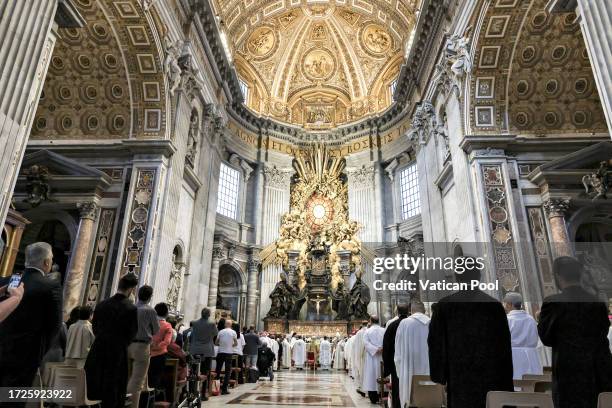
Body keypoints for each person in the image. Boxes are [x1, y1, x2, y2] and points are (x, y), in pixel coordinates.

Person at [428, 259, 513, 408]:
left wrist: (440, 376)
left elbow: (436, 344)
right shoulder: (494, 306)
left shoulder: (444, 306)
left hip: (459, 376)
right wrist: (506, 380)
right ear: (479, 277)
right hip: (492, 376)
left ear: (457, 277)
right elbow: (504, 346)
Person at [538, 256, 612, 408]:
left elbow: (546, 338)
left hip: (568, 369)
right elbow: (603, 331)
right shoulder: (597, 302)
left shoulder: (553, 303)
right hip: (596, 368)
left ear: (558, 276)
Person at [0, 242, 62, 398]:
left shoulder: (5, 281)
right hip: (26, 356)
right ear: (47, 262)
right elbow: (54, 326)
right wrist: (39, 353)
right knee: (12, 400)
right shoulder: (51, 285)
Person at [85, 273, 139, 408]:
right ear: (131, 290)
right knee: (113, 392)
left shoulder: (102, 304)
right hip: (117, 354)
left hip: (97, 351)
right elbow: (131, 334)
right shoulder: (131, 309)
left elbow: (95, 327)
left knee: (94, 388)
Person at [127, 285, 159, 408]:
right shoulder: (150, 310)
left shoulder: (130, 308)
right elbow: (156, 330)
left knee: (127, 375)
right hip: (142, 346)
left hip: (128, 344)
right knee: (138, 379)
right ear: (150, 297)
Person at [394, 301, 430, 408]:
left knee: (409, 398)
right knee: (428, 398)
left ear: (411, 311)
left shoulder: (404, 323)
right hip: (428, 368)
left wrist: (399, 369)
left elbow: (398, 349)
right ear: (424, 311)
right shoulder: (431, 322)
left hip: (409, 368)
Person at [503, 292, 542, 380]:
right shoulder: (531, 319)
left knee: (516, 388)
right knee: (533, 387)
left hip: (513, 358)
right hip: (532, 358)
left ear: (509, 304)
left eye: (505, 303)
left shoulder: (507, 320)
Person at [383, 303, 409, 408]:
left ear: (396, 312)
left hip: (396, 364)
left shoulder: (392, 325)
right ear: (408, 311)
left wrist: (387, 368)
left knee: (397, 389)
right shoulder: (412, 324)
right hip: (414, 362)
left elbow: (387, 347)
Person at [189, 308, 218, 400]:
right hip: (207, 350)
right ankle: (203, 393)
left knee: (193, 372)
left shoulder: (194, 322)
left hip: (195, 349)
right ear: (209, 315)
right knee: (206, 372)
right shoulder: (211, 324)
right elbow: (215, 333)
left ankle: (192, 392)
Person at [148, 303, 173, 391]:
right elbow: (167, 341)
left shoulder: (150, 322)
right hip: (160, 354)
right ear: (166, 314)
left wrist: (151, 346)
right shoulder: (167, 325)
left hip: (147, 352)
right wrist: (158, 346)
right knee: (156, 377)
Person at [362, 316, 385, 403]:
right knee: (381, 373)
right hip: (382, 355)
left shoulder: (367, 331)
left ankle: (373, 398)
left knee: (371, 377)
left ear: (370, 321)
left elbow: (366, 343)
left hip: (372, 357)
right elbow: (387, 341)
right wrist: (381, 348)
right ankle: (382, 395)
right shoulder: (384, 330)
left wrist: (375, 349)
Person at [215, 319, 238, 395]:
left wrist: (221, 345)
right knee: (228, 371)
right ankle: (224, 389)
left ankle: (215, 388)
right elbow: (236, 343)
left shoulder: (220, 332)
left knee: (218, 370)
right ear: (231, 325)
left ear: (225, 324)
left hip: (221, 352)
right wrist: (230, 346)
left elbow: (216, 342)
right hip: (229, 353)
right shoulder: (233, 332)